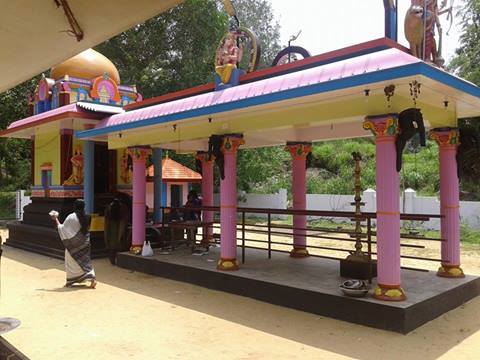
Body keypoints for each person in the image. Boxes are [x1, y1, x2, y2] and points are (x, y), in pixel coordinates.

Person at [52, 199, 96, 288]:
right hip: (85, 244)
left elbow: (62, 229)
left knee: (71, 262)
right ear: (84, 207)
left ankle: (71, 280)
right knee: (86, 262)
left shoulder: (71, 217)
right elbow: (85, 231)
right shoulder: (88, 216)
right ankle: (92, 279)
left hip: (72, 245)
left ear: (74, 207)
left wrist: (55, 218)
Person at [104, 198, 130, 265]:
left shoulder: (108, 207)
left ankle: (112, 260)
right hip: (120, 226)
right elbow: (126, 217)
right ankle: (120, 261)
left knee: (112, 246)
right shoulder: (123, 207)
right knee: (120, 244)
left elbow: (106, 218)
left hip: (111, 227)